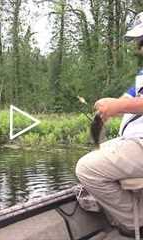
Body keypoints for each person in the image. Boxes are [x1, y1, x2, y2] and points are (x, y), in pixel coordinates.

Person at [76, 12, 143, 237]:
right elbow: (129, 99)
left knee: (86, 169)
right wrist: (108, 108)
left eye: (142, 41)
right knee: (97, 152)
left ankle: (138, 222)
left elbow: (127, 104)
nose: (139, 48)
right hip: (135, 142)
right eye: (138, 42)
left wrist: (117, 107)